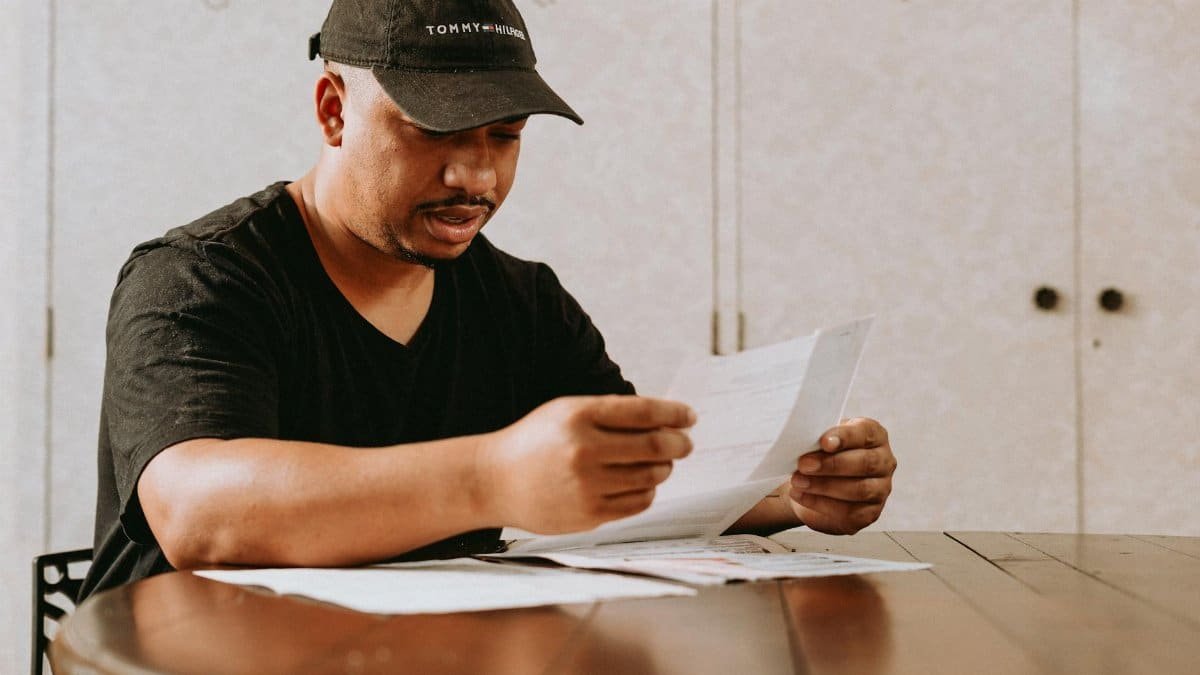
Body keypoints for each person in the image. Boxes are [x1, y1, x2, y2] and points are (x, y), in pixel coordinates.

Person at [79, 0, 897, 600]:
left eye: (504, 137)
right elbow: (200, 515)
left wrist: (792, 492)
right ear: (333, 110)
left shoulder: (521, 301)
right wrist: (494, 475)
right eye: (434, 131)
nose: (474, 176)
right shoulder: (199, 277)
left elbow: (631, 481)